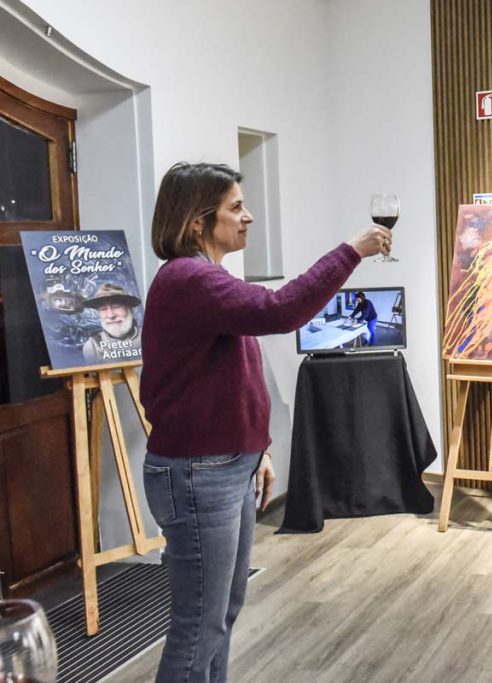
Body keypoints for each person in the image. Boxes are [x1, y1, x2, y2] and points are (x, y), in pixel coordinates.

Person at [140, 162, 391, 683]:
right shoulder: (188, 279)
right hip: (198, 475)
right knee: (199, 625)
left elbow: (234, 381)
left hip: (224, 468)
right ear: (197, 222)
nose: (248, 216)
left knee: (221, 616)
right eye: (235, 207)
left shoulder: (208, 278)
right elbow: (281, 310)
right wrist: (352, 250)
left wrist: (260, 451)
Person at [81, 282, 143, 364]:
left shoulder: (150, 338)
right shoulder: (92, 347)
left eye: (116, 306)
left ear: (130, 310)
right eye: (103, 309)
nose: (111, 315)